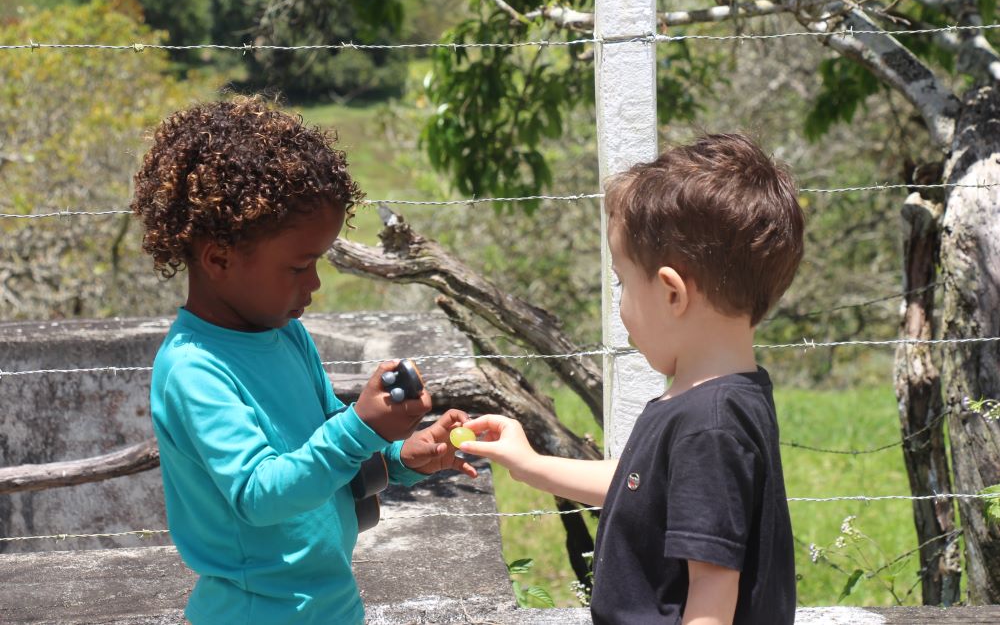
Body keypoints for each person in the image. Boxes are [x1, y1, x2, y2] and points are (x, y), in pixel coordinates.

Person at [131, 96, 476, 625]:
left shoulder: (286, 335)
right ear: (219, 258)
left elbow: (320, 456)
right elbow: (259, 494)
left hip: (328, 601)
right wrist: (360, 427)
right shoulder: (194, 370)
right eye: (299, 266)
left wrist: (402, 456)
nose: (314, 284)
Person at [460, 133, 803, 625]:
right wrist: (530, 465)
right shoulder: (717, 399)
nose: (619, 302)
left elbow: (712, 597)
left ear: (671, 293)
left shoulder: (710, 425)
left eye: (621, 282)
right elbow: (641, 489)